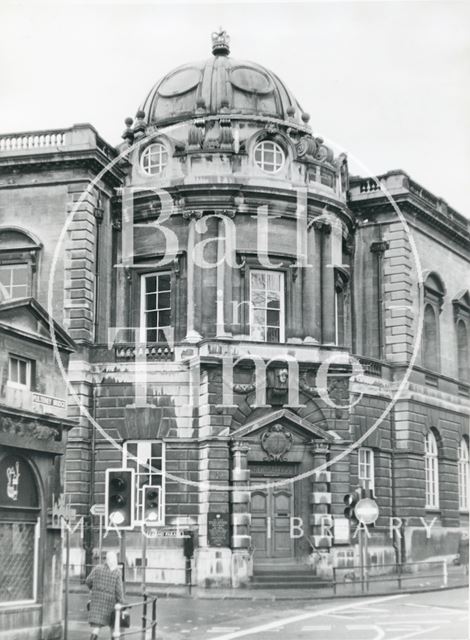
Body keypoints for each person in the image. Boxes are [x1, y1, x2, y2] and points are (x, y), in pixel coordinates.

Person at [85, 551, 124, 639]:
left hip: (97, 602)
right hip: (110, 604)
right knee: (113, 626)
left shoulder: (97, 568)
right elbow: (119, 590)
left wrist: (93, 588)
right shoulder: (117, 572)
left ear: (106, 559)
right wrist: (121, 601)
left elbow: (88, 581)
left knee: (97, 627)